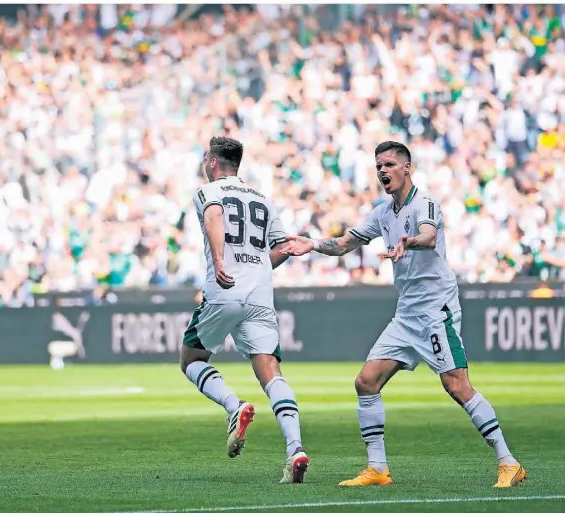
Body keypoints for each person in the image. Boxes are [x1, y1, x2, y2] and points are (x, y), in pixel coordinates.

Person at [280, 140, 525, 488]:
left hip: (435, 312)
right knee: (366, 382)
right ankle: (378, 469)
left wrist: (408, 242)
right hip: (407, 315)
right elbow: (344, 244)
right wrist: (313, 244)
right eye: (379, 165)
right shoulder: (382, 213)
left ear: (407, 168)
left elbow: (428, 235)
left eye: (390, 164)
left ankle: (509, 462)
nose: (383, 171)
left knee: (457, 385)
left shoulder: (424, 204)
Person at [180, 136, 309, 484]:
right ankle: (295, 449)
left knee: (191, 360)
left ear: (212, 162)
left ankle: (234, 407)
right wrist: (259, 268)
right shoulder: (263, 200)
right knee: (272, 372)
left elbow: (214, 216)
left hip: (224, 288)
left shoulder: (208, 192)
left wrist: (221, 260)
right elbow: (286, 246)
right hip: (260, 295)